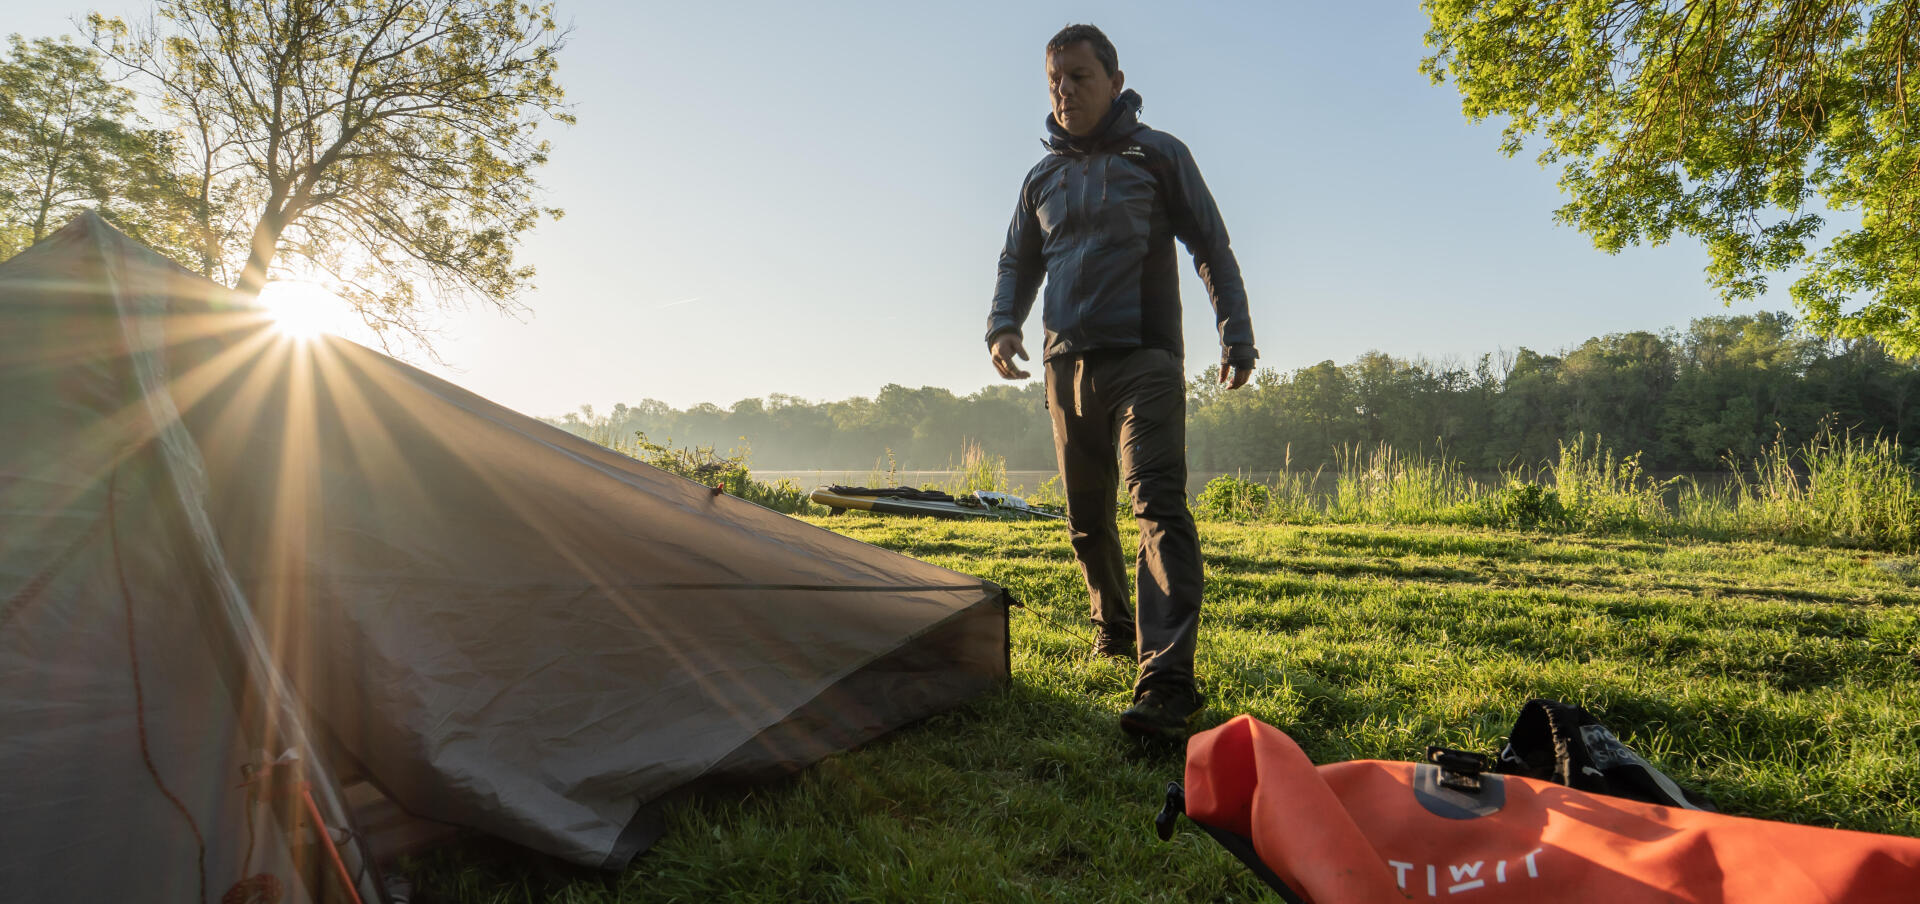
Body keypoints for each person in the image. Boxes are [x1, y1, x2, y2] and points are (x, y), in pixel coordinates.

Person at [986, 24, 1257, 738]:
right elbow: (1018, 261)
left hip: (1146, 359)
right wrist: (1003, 324)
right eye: (1054, 81)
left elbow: (1212, 246)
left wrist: (1235, 332)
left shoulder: (1158, 155)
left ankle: (1166, 681)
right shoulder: (1040, 177)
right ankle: (1112, 625)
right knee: (1085, 521)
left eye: (1078, 76)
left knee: (1158, 508)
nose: (1065, 91)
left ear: (1113, 79)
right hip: (1065, 362)